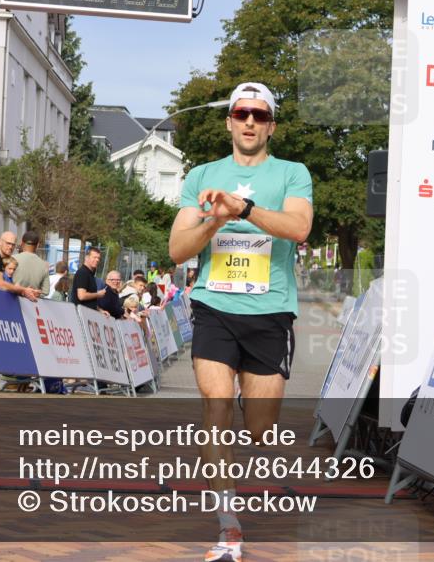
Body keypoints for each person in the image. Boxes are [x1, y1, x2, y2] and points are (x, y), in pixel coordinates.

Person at [168, 81, 313, 562]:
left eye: (259, 114)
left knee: (259, 429)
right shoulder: (202, 174)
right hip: (215, 307)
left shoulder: (292, 173)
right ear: (229, 120)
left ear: (271, 125)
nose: (250, 121)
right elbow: (176, 249)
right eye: (241, 113)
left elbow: (299, 228)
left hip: (269, 311)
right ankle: (228, 524)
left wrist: (244, 209)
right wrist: (214, 219)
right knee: (215, 407)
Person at [12, 230, 51, 297]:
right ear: (37, 245)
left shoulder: (12, 259)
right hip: (31, 304)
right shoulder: (44, 265)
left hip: (12, 300)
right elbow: (45, 292)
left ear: (22, 243)